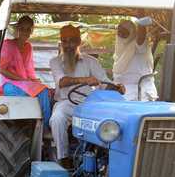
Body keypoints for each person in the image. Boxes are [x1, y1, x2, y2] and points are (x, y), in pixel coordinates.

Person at [49, 25, 122, 167]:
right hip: (66, 103)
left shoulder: (91, 62)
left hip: (90, 104)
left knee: (112, 122)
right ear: (61, 42)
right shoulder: (55, 61)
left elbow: (105, 83)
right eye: (65, 41)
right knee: (57, 118)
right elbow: (62, 82)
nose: (68, 45)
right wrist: (85, 80)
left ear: (79, 41)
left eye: (72, 40)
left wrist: (118, 88)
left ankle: (104, 159)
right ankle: (63, 159)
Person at [0, 15, 51, 125]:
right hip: (9, 84)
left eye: (28, 29)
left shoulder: (28, 47)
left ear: (31, 31)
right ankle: (42, 125)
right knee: (41, 93)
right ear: (18, 29)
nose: (25, 32)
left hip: (24, 83)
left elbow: (29, 69)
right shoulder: (8, 45)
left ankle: (43, 126)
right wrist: (22, 79)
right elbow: (1, 69)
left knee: (46, 90)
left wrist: (33, 80)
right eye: (22, 29)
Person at [112, 19, 157, 101]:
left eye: (125, 31)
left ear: (132, 32)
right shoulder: (120, 46)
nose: (121, 33)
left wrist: (141, 15)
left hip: (140, 94)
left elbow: (141, 36)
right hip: (121, 93)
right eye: (119, 30)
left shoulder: (139, 45)